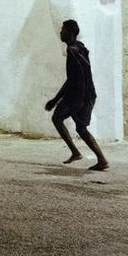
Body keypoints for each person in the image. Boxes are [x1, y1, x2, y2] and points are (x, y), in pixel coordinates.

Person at [45, 19, 110, 171]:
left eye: (63, 30)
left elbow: (73, 79)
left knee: (56, 118)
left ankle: (76, 152)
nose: (60, 32)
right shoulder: (80, 47)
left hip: (78, 96)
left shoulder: (72, 51)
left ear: (71, 32)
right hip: (88, 94)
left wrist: (55, 100)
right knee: (81, 128)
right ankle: (101, 159)